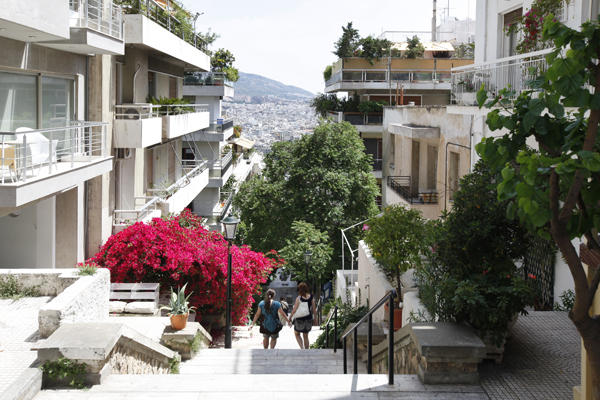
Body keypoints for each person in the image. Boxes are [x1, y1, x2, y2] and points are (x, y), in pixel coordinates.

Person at [289, 282, 316, 349]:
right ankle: (306, 350)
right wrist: (315, 319)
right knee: (306, 336)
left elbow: (294, 309)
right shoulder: (311, 297)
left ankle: (302, 348)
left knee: (297, 334)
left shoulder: (299, 298)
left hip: (299, 319)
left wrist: (290, 317)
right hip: (308, 318)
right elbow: (314, 310)